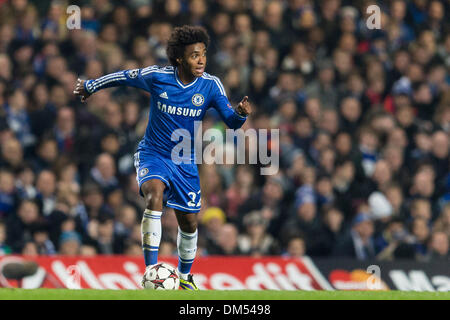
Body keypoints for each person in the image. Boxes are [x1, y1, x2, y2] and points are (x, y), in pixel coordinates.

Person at [73, 25, 252, 290]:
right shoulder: (158, 76)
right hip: (153, 154)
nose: (201, 59)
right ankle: (151, 270)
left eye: (203, 54)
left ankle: (185, 277)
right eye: (194, 55)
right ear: (179, 58)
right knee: (154, 195)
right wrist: (91, 85)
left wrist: (240, 114)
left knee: (189, 222)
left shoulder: (211, 86)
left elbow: (232, 123)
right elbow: (123, 76)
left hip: (185, 162)